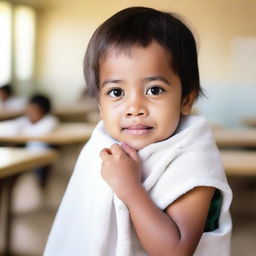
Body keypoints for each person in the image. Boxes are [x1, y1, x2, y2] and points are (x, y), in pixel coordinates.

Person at [44, 7, 232, 256]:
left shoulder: (194, 157)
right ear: (100, 105)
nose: (134, 108)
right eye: (116, 92)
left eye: (154, 90)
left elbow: (175, 251)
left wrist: (130, 188)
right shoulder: (100, 146)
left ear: (187, 99)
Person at [0, 94, 59, 187]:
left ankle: (40, 186)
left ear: (44, 112)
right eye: (29, 110)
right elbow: (8, 127)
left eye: (34, 111)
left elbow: (38, 132)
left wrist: (21, 130)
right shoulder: (25, 121)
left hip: (42, 156)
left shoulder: (50, 121)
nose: (30, 113)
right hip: (26, 155)